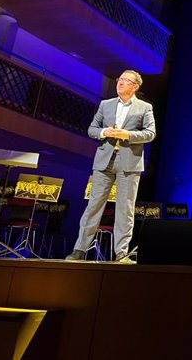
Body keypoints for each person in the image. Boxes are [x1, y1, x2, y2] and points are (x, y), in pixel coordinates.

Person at [66, 70, 156, 263]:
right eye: (119, 79)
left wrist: (128, 135)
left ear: (135, 86)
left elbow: (150, 133)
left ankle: (121, 253)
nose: (120, 83)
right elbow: (92, 129)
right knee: (93, 206)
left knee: (125, 209)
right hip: (104, 161)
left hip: (129, 163)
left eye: (125, 80)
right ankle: (79, 250)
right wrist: (104, 131)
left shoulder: (144, 107)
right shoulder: (105, 105)